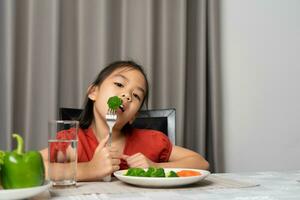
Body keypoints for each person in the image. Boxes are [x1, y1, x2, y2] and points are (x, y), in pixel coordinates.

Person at [41, 60, 209, 181]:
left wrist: (155, 167)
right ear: (93, 92)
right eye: (120, 85)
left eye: (136, 95)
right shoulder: (74, 141)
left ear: (133, 116)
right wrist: (88, 169)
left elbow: (201, 162)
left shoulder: (151, 141)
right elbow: (35, 168)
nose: (127, 96)